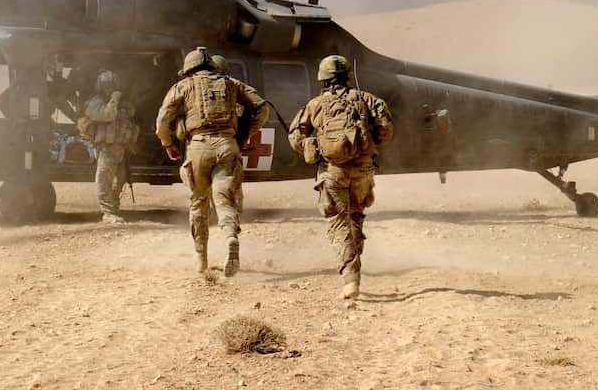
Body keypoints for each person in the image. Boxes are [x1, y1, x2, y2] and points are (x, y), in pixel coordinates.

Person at [156, 47, 268, 277]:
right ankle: (230, 238)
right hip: (227, 144)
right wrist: (247, 133)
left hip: (198, 146)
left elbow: (162, 120)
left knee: (198, 202)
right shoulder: (231, 83)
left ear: (189, 69)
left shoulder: (183, 86)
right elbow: (261, 107)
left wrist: (168, 144)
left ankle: (201, 259)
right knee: (224, 198)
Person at [289, 55, 394, 299]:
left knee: (338, 222)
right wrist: (366, 143)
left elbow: (295, 136)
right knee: (356, 215)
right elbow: (386, 131)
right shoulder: (368, 100)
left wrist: (312, 147)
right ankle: (355, 258)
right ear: (348, 76)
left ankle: (350, 278)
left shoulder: (314, 105)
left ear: (323, 79)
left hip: (332, 171)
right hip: (363, 170)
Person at [81, 70, 138, 224]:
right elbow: (108, 115)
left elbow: (131, 117)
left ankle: (114, 205)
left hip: (121, 148)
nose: (110, 89)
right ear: (100, 87)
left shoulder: (121, 104)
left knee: (121, 179)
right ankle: (108, 212)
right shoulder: (94, 103)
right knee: (104, 179)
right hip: (106, 148)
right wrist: (114, 99)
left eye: (112, 86)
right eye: (106, 86)